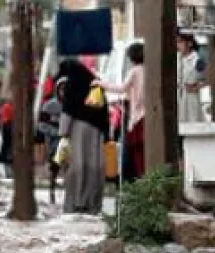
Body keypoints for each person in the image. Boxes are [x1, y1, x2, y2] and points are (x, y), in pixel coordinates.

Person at [58, 59, 109, 214]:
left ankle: (76, 203)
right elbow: (103, 111)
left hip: (77, 130)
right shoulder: (95, 85)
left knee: (77, 165)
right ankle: (92, 204)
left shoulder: (72, 85)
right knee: (94, 167)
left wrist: (63, 132)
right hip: (96, 131)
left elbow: (68, 110)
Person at [103, 42, 146, 180]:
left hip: (137, 116)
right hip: (146, 115)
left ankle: (139, 178)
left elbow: (121, 88)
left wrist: (103, 85)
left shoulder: (134, 71)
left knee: (135, 152)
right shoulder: (148, 69)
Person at [38, 84, 65, 203]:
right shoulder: (49, 105)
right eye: (61, 89)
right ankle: (52, 189)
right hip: (53, 142)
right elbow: (41, 125)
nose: (63, 92)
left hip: (69, 141)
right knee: (55, 166)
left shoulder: (73, 105)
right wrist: (54, 132)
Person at [176, 32, 207, 124]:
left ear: (189, 43)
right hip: (177, 95)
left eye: (180, 42)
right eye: (177, 42)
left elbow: (208, 78)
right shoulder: (176, 58)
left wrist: (197, 87)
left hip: (190, 96)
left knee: (192, 121)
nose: (178, 45)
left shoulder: (197, 60)